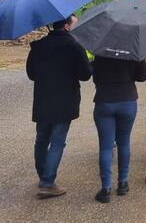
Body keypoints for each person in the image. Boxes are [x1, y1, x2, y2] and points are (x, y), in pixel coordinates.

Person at [26, 15, 92, 199]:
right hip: (65, 101)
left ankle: (43, 176)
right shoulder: (74, 46)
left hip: (43, 100)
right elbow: (85, 75)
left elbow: (31, 74)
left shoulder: (38, 46)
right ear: (66, 26)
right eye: (74, 24)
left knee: (41, 139)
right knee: (57, 141)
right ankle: (48, 182)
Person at [91, 55, 146, 202]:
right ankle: (123, 182)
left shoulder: (101, 51)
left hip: (104, 101)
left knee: (106, 147)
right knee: (124, 143)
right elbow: (142, 76)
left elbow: (95, 77)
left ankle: (106, 189)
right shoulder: (133, 51)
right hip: (127, 101)